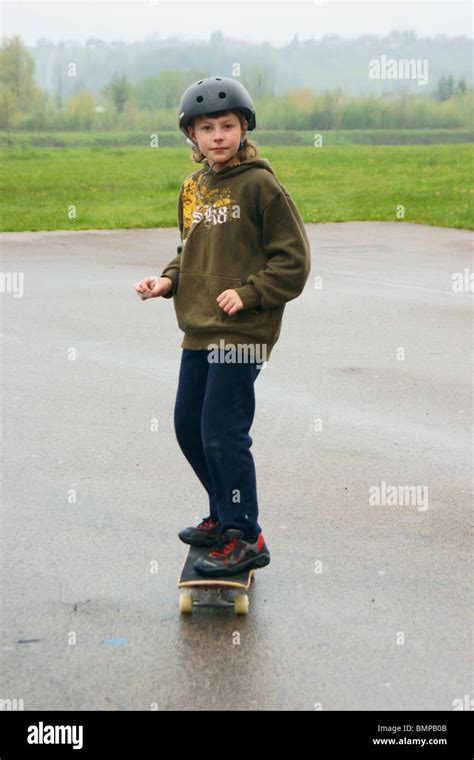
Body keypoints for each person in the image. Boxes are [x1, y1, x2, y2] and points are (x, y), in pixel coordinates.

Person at [134, 76, 311, 577]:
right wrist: (167, 281)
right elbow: (189, 251)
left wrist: (251, 292)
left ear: (244, 128)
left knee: (222, 430)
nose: (217, 135)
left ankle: (244, 533)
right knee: (189, 427)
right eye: (206, 127)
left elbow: (293, 262)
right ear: (191, 135)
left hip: (243, 332)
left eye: (227, 125)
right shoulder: (193, 187)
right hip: (199, 327)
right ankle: (222, 513)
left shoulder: (261, 186)